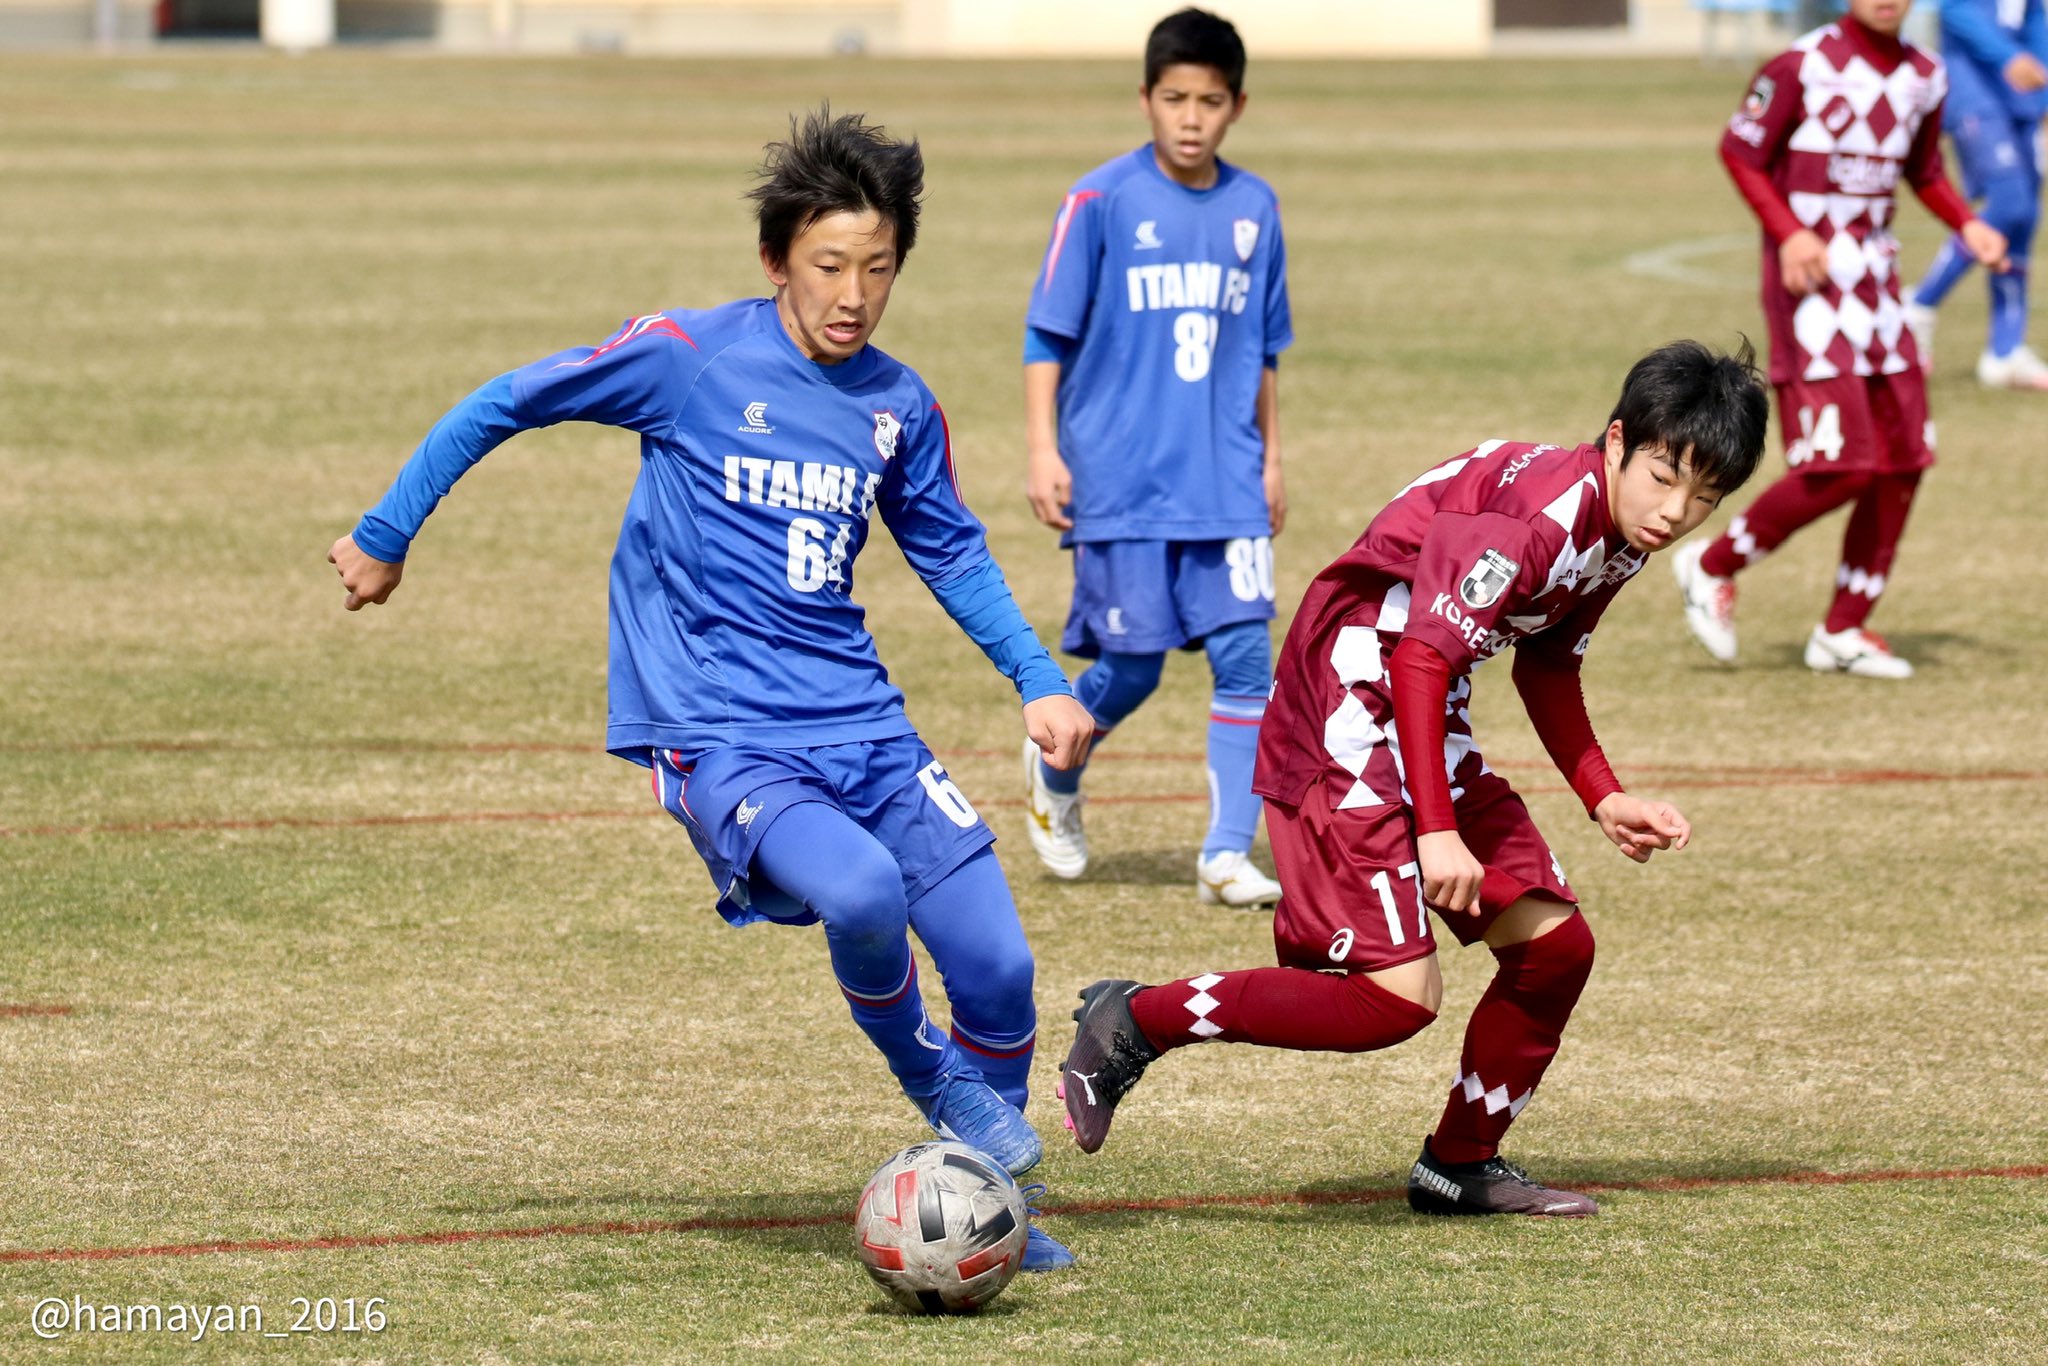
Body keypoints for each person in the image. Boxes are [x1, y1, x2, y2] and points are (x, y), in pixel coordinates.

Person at [327, 108, 1095, 1271]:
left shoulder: (897, 404)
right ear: (775, 260)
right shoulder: (689, 358)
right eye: (828, 266)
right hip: (720, 733)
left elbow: (947, 549)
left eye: (877, 269)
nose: (852, 294)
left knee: (996, 963)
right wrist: (387, 531)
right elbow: (506, 401)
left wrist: (1036, 679)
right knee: (861, 892)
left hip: (863, 725)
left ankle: (987, 1202)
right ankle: (936, 1083)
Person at [1057, 341, 1769, 1216]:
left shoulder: (1616, 533)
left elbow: (1546, 665)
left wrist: (1604, 794)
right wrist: (1435, 830)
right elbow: (1424, 658)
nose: (1676, 512)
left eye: (1705, 496)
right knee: (1395, 1000)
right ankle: (1138, 1018)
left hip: (1419, 703)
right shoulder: (1544, 518)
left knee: (1554, 949)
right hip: (1349, 701)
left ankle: (1459, 1163)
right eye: (1665, 477)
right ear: (1618, 441)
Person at [1019, 7, 1292, 908]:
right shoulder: (1099, 200)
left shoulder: (1257, 209)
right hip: (1123, 480)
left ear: (1238, 106)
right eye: (1173, 98)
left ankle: (1222, 855)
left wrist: (1273, 460)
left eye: (1209, 101)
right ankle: (1054, 768)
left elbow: (1265, 350)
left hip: (1226, 481)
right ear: (1145, 98)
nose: (1190, 118)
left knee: (1247, 659)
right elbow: (1044, 337)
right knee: (1131, 669)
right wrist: (1042, 451)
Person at [1673, 0, 2008, 679]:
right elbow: (1740, 152)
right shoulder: (1804, 64)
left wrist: (1962, 223)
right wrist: (1790, 232)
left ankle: (1843, 630)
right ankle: (1710, 565)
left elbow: (1923, 170)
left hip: (1880, 290)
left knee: (1906, 459)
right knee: (1842, 464)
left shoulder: (1925, 74)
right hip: (1810, 294)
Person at [1905, 0, 2048, 389]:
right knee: (2009, 202)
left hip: (2020, 98)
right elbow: (1953, 10)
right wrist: (2008, 57)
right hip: (1975, 92)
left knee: (2026, 215)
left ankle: (2005, 353)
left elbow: (2034, 17)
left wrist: (2043, 85)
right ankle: (1918, 306)